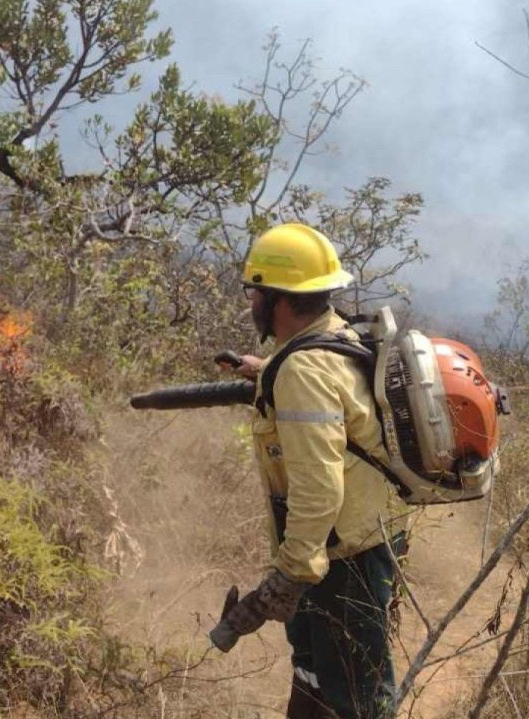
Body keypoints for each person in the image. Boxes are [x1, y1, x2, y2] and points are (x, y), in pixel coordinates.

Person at [208, 223, 410, 719]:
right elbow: (327, 389)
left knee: (357, 701)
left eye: (255, 291)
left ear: (276, 298)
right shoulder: (334, 336)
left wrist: (290, 576)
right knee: (317, 676)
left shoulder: (301, 373)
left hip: (343, 558)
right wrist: (266, 369)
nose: (251, 300)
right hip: (369, 537)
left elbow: (318, 490)